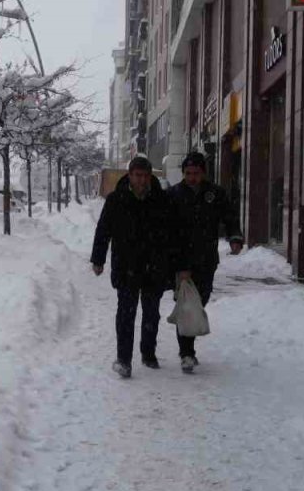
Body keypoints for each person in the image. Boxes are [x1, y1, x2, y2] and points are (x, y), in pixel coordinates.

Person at [90, 156, 176, 378]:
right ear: (129, 175)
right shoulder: (116, 200)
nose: (142, 180)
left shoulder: (161, 200)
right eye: (138, 175)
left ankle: (148, 353)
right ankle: (124, 359)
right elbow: (103, 230)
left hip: (154, 266)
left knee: (151, 313)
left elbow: (173, 233)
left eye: (146, 175)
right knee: (125, 315)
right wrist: (98, 259)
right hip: (126, 265)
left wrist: (173, 263)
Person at [167, 151, 243, 373]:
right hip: (181, 259)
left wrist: (235, 237)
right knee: (186, 304)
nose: (192, 177)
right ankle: (186, 353)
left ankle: (188, 348)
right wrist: (174, 264)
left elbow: (230, 217)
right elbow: (165, 229)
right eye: (188, 173)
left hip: (206, 258)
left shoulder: (215, 194)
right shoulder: (173, 195)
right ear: (183, 173)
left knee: (201, 299)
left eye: (196, 173)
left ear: (203, 173)